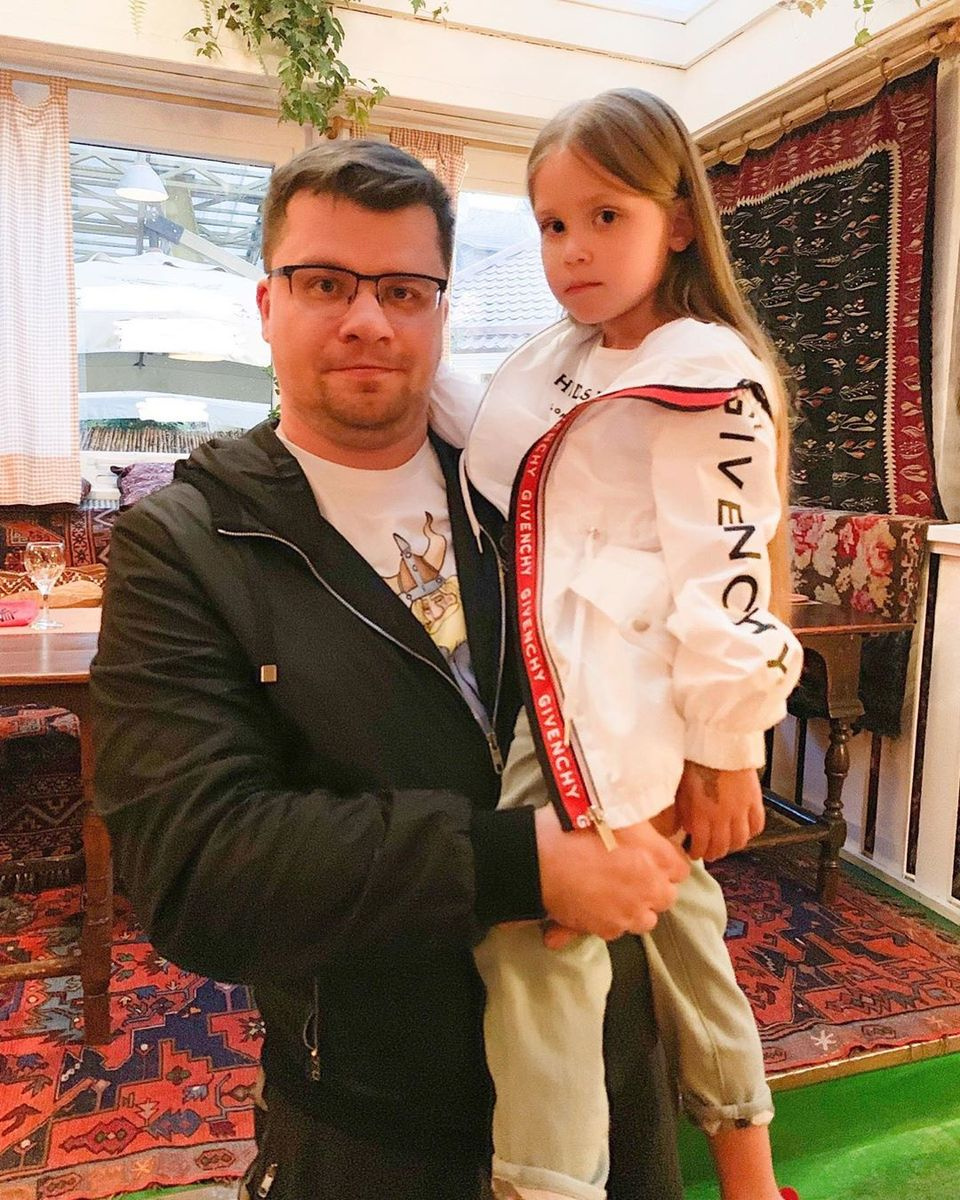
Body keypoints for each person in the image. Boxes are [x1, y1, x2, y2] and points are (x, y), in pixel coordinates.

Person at [90, 138, 692, 1200]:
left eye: (404, 290)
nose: (369, 319)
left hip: (604, 1063)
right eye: (326, 283)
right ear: (267, 304)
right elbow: (194, 869)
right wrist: (521, 864)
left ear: (441, 311)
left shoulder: (536, 487)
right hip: (378, 1115)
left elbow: (690, 606)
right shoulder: (183, 546)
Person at [455, 89, 805, 1200]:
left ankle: (549, 1186)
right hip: (564, 678)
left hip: (622, 701)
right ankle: (751, 1178)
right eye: (553, 224)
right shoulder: (562, 356)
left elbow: (731, 569)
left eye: (606, 216)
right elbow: (487, 442)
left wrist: (728, 746)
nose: (574, 249)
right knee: (684, 926)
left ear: (680, 220)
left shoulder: (706, 369)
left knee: (532, 936)